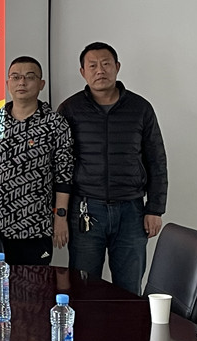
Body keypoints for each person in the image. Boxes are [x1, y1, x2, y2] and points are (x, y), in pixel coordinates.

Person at [58, 42, 168, 295]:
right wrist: (59, 214)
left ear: (117, 67)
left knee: (128, 289)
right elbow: (60, 165)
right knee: (83, 287)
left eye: (106, 64)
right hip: (86, 210)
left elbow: (156, 160)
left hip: (131, 211)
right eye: (92, 66)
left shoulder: (140, 108)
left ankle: (127, 325)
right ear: (82, 72)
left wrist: (155, 208)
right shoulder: (70, 109)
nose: (100, 70)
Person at [0, 56, 73, 265]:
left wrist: (60, 217)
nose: (22, 82)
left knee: (36, 283)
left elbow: (64, 174)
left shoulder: (55, 123)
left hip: (37, 226)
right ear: (7, 83)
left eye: (29, 77)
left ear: (41, 84)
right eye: (16, 77)